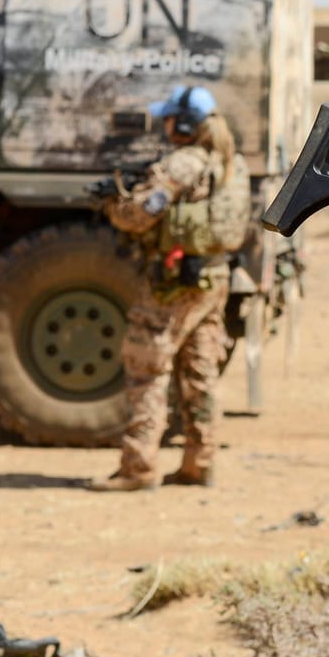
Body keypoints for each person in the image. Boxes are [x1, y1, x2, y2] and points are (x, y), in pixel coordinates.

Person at [89, 84, 252, 492]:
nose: (164, 125)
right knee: (200, 371)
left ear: (183, 124)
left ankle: (137, 467)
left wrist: (114, 205)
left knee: (146, 366)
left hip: (174, 282)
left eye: (168, 118)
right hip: (214, 279)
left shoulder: (181, 165)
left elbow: (140, 214)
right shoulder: (233, 164)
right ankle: (200, 462)